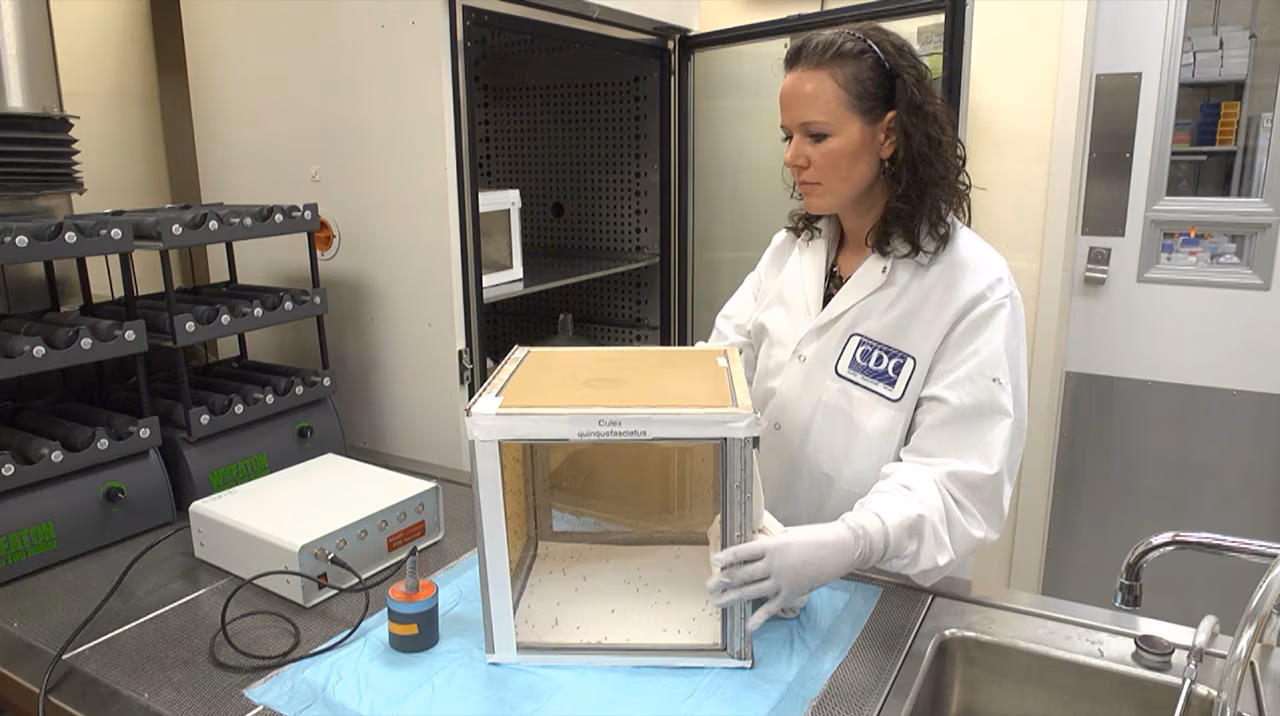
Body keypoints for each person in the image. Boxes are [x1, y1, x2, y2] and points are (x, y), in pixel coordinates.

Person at [703, 23, 1029, 633]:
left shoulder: (970, 286)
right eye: (788, 135)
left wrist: (845, 544)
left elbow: (957, 485)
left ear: (888, 134)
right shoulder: (790, 253)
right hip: (755, 575)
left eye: (817, 135)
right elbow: (718, 369)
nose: (792, 156)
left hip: (877, 598)